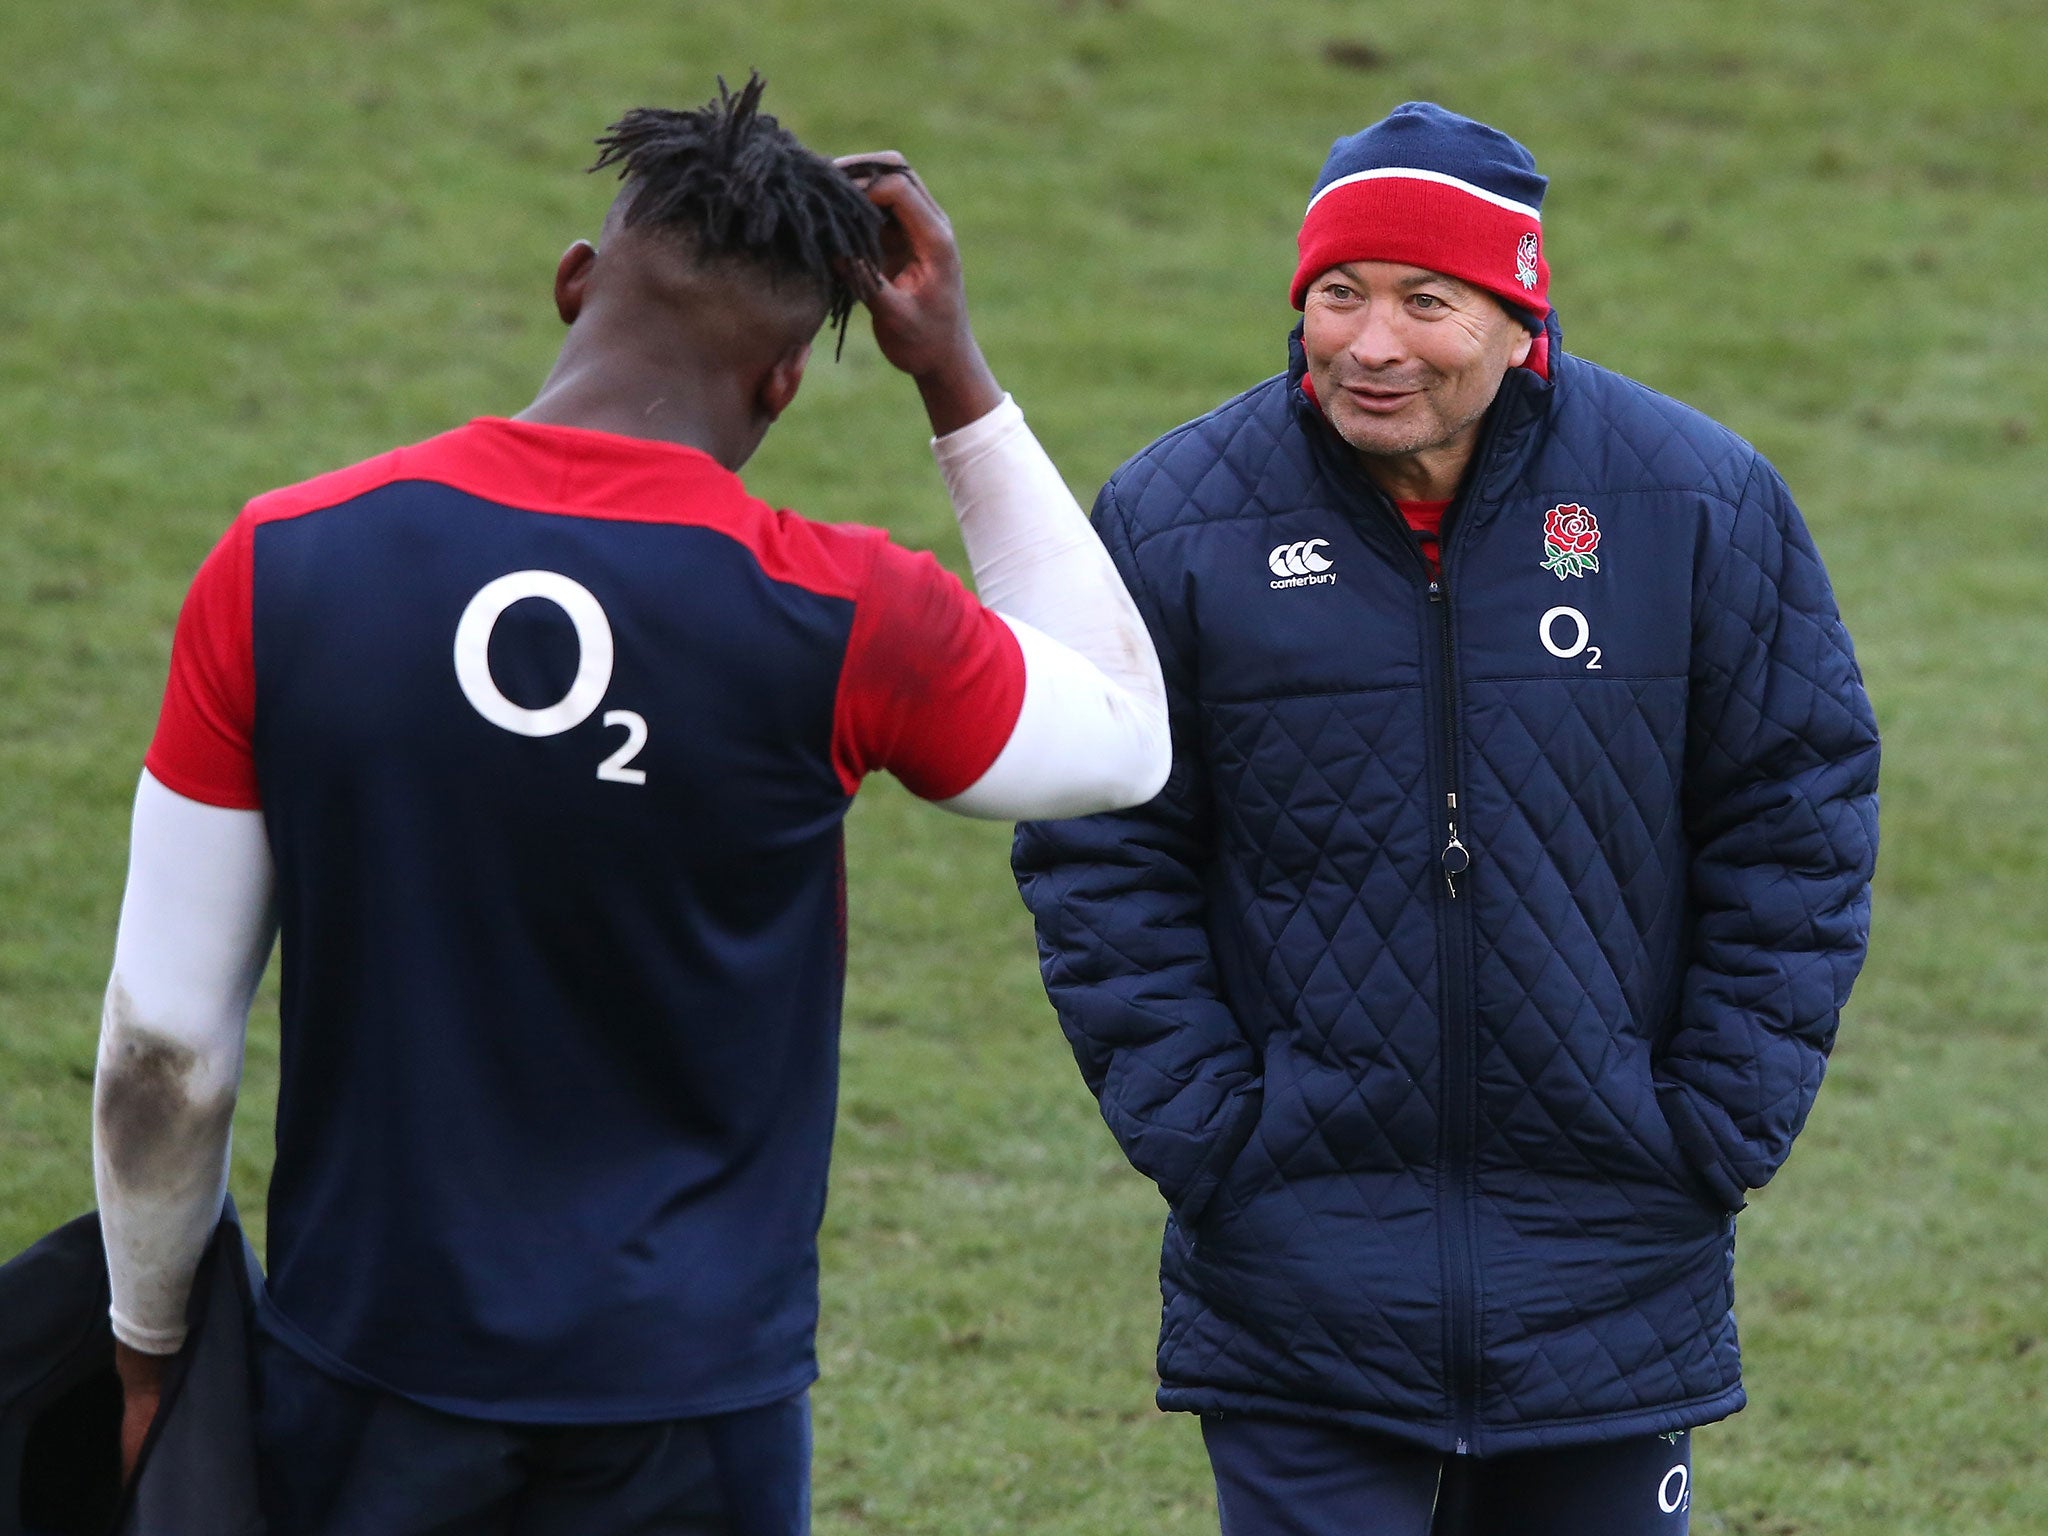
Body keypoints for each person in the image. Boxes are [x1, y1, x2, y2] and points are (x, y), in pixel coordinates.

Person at [93, 75, 1168, 1534]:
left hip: (369, 1372)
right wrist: (953, 375)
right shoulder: (848, 609)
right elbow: (1123, 740)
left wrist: (147, 1343)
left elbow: (163, 1046)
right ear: (784, 381)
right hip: (692, 1399)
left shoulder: (282, 564)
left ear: (575, 285)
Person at [1013, 101, 1879, 1535]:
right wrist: (1208, 1125)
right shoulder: (1175, 522)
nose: (1372, 342)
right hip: (1297, 1258)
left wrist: (1718, 1118)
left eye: (1429, 300)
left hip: (1610, 1252)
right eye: (1337, 294)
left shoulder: (1695, 502)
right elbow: (1098, 838)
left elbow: (1799, 811)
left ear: (1518, 312)